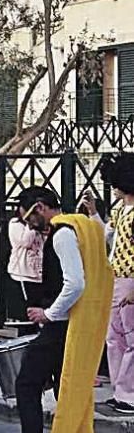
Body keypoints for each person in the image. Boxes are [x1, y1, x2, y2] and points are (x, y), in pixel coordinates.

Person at [0, 186, 113, 433]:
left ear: (39, 207)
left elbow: (75, 284)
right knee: (68, 388)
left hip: (63, 325)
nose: (29, 225)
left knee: (27, 384)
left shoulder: (62, 234)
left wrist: (49, 314)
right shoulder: (84, 225)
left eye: (28, 218)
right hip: (81, 323)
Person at [86, 155, 134, 415]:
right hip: (115, 277)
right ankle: (121, 390)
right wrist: (94, 214)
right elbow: (107, 235)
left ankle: (129, 394)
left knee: (130, 336)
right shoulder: (118, 210)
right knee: (114, 337)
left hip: (130, 278)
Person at [8, 188, 46, 315]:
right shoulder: (15, 224)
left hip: (39, 274)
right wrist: (31, 224)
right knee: (27, 314)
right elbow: (26, 242)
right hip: (23, 274)